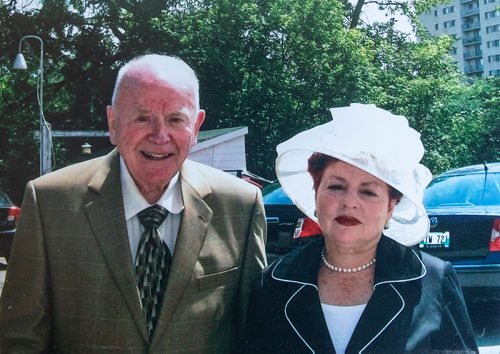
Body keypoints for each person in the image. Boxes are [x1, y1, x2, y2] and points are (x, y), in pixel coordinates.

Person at [0, 54, 267, 352]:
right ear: (113, 124)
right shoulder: (49, 202)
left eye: (176, 119)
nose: (160, 135)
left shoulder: (240, 205)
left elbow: (256, 335)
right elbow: (20, 341)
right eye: (142, 118)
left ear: (197, 125)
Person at [242, 103, 478, 353]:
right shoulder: (275, 280)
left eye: (368, 192)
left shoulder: (433, 279)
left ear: (391, 206)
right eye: (336, 187)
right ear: (316, 193)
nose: (349, 202)